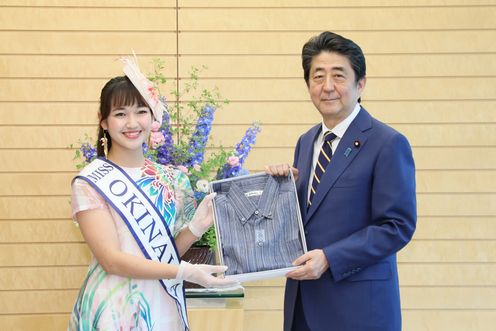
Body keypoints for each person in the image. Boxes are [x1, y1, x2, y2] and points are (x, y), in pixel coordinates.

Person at [68, 56, 237, 331]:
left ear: (153, 116)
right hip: (113, 309)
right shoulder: (90, 182)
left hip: (162, 306)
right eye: (120, 113)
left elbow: (165, 254)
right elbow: (112, 260)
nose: (132, 123)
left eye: (141, 111)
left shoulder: (173, 179)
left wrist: (196, 227)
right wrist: (184, 271)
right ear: (104, 122)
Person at [265, 31, 417, 330]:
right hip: (303, 306)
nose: (327, 87)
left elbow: (397, 226)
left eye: (338, 75)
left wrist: (331, 258)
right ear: (308, 84)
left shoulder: (387, 143)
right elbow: (311, 216)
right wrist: (280, 189)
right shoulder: (306, 142)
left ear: (360, 84)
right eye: (318, 76)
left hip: (358, 309)